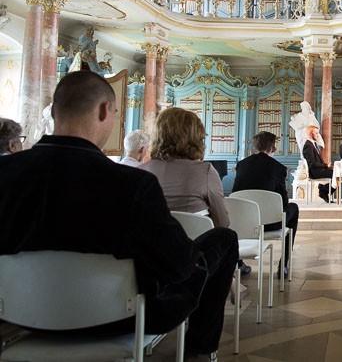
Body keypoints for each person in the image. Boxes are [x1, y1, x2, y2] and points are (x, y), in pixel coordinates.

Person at [0, 71, 238, 359]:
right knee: (219, 242)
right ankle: (200, 349)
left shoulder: (5, 175)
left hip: (19, 314)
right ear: (104, 111)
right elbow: (176, 266)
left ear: (55, 112)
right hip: (121, 319)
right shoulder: (132, 185)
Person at [140, 108, 229, 229]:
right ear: (196, 138)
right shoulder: (206, 172)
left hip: (148, 246)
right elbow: (222, 223)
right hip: (193, 245)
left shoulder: (139, 172)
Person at [232, 131, 297, 277]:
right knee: (294, 208)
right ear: (273, 149)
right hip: (270, 223)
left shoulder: (241, 165)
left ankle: (239, 264)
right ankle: (283, 265)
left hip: (245, 222)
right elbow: (282, 202)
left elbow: (235, 195)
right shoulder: (279, 168)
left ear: (254, 148)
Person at [302, 125, 334, 202]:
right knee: (336, 174)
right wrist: (326, 166)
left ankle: (324, 189)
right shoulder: (308, 146)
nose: (318, 135)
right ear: (311, 134)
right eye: (316, 133)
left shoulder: (312, 144)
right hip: (315, 172)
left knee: (336, 172)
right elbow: (312, 164)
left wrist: (327, 166)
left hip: (318, 170)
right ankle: (324, 190)